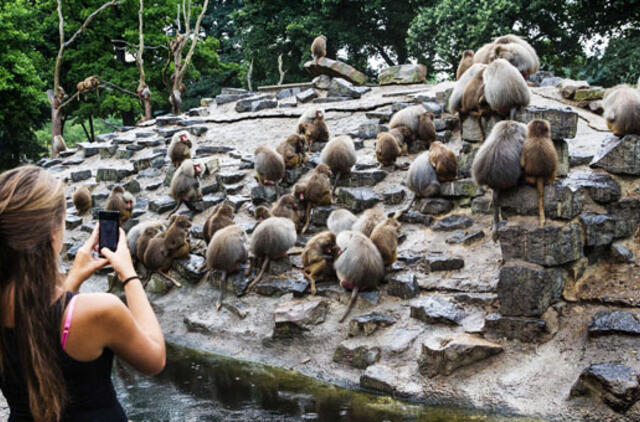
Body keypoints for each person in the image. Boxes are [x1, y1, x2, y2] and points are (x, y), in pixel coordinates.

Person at [0, 165, 165, 421]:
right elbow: (154, 359)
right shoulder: (100, 311)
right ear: (54, 235)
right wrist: (129, 275)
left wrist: (72, 281)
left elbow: (41, 322)